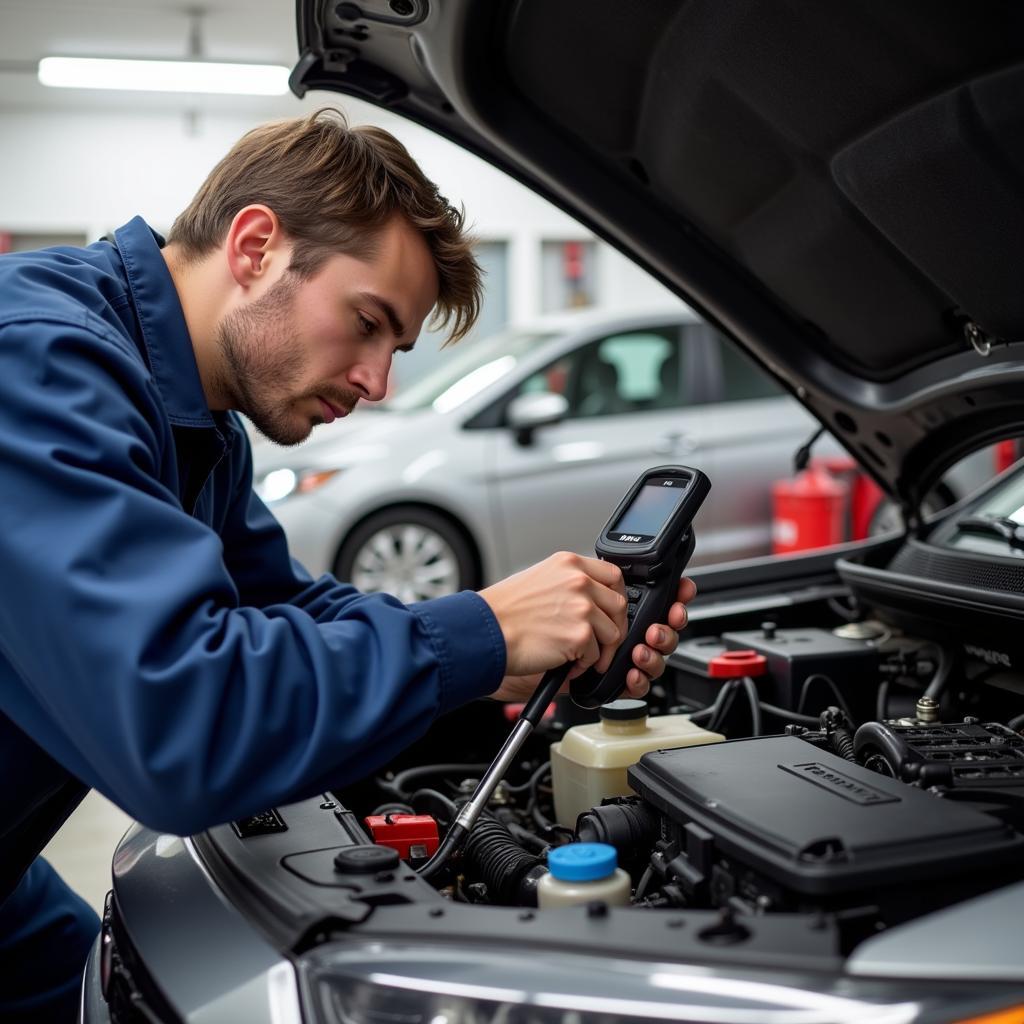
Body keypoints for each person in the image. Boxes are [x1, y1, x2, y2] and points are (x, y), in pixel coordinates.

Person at [0, 109, 695, 1018]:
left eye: (395, 349)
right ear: (255, 246)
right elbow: (180, 724)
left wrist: (509, 664)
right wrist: (480, 633)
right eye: (366, 323)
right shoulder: (38, 366)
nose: (377, 383)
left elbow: (287, 606)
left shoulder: (197, 419)